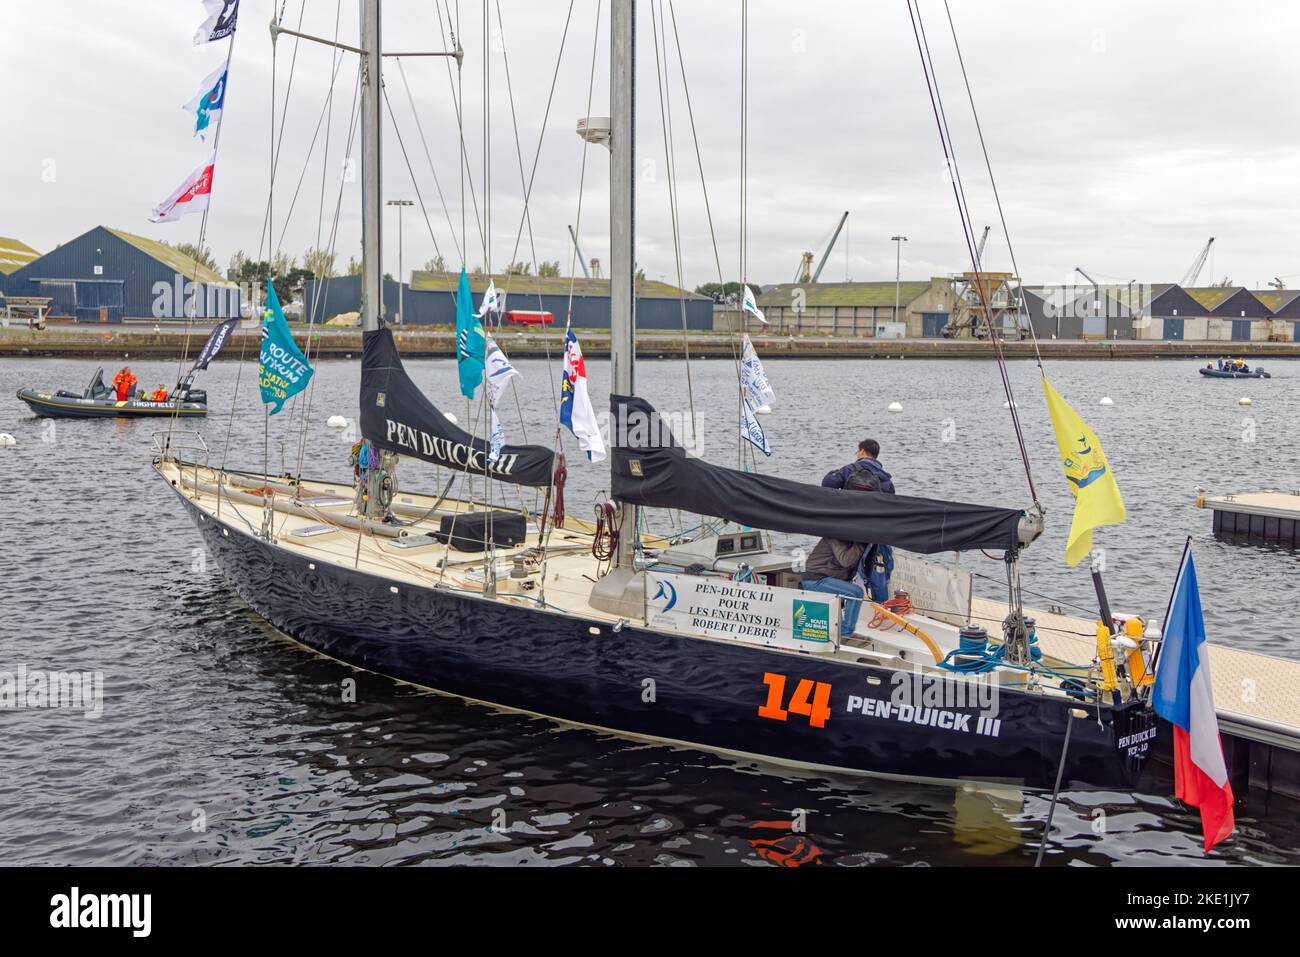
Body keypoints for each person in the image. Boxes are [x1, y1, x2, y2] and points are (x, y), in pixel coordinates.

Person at [801, 538, 866, 636]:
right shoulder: (835, 538)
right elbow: (846, 560)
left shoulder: (848, 539)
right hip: (815, 579)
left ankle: (841, 630)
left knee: (851, 593)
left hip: (827, 577)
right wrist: (861, 543)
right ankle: (845, 632)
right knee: (856, 593)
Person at [821, 439, 896, 494]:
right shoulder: (885, 478)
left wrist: (834, 472)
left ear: (862, 451)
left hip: (849, 510)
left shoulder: (849, 469)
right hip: (872, 512)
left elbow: (827, 484)